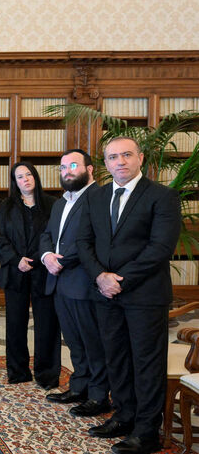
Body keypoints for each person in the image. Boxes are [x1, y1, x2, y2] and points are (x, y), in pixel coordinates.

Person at [77, 137, 181, 454]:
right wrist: (100, 276)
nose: (120, 162)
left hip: (144, 295)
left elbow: (160, 248)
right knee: (117, 358)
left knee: (146, 363)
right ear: (105, 164)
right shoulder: (96, 197)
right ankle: (124, 416)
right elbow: (84, 242)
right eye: (112, 157)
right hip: (105, 295)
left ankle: (147, 431)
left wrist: (119, 280)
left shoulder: (162, 196)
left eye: (126, 155)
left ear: (140, 158)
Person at [40, 149, 110, 417]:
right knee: (74, 341)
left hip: (82, 282)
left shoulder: (100, 198)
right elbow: (47, 235)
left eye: (72, 165)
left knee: (92, 342)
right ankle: (79, 387)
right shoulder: (60, 203)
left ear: (89, 169)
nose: (66, 171)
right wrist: (47, 256)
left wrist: (61, 262)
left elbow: (93, 242)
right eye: (62, 167)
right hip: (59, 282)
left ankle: (98, 395)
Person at [0, 162, 58, 388]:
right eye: (20, 177)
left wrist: (39, 258)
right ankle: (18, 371)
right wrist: (15, 260)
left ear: (36, 177)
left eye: (29, 174)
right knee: (15, 322)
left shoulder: (52, 204)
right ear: (15, 182)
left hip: (44, 270)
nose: (25, 179)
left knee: (47, 323)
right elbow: (0, 239)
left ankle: (47, 374)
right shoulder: (6, 207)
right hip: (16, 270)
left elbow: (55, 236)